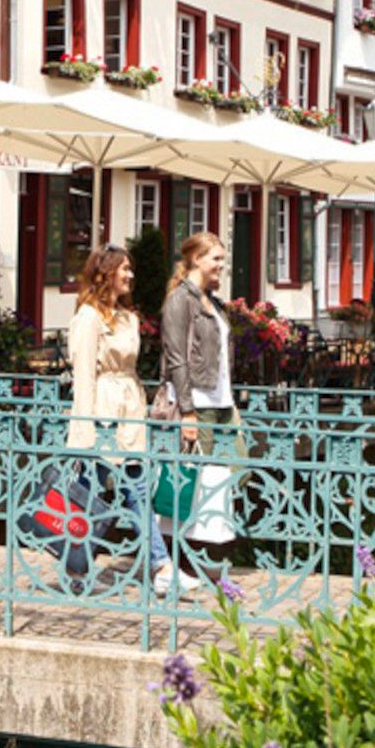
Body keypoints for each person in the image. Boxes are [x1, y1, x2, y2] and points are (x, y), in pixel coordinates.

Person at [64, 245, 174, 594]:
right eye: (124, 269)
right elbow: (82, 374)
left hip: (129, 410)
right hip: (103, 412)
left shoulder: (128, 318)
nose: (130, 275)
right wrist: (84, 427)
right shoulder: (88, 317)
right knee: (90, 494)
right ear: (105, 273)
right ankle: (78, 568)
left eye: (131, 269)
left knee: (136, 489)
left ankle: (160, 564)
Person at [158, 231, 242, 573]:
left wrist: (231, 398)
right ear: (196, 260)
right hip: (197, 401)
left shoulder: (213, 301)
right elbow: (176, 358)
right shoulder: (181, 300)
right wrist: (188, 411)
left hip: (221, 401)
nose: (222, 266)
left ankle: (201, 549)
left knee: (236, 467)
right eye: (216, 259)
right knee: (191, 479)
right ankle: (180, 559)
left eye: (223, 259)